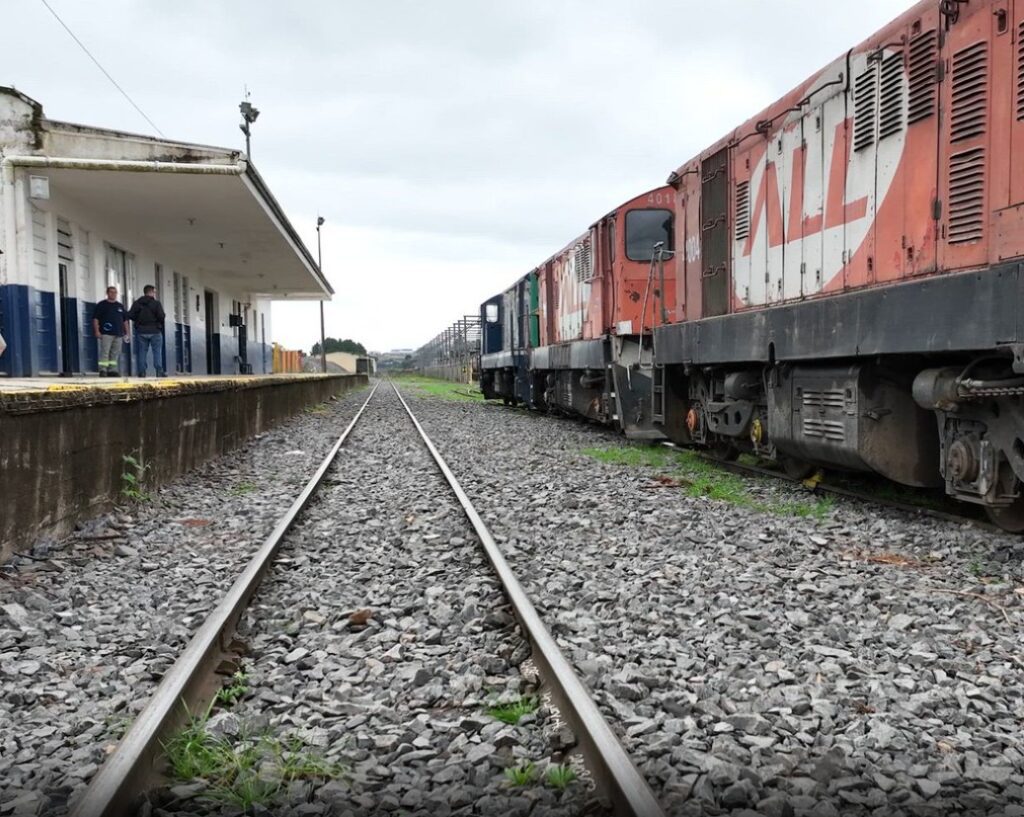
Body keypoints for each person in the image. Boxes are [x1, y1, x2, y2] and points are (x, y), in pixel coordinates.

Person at [129, 285, 166, 377]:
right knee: (157, 351)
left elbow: (130, 315)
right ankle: (159, 371)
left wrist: (138, 321)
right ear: (151, 292)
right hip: (155, 331)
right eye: (154, 292)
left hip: (141, 331)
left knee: (142, 352)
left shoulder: (137, 303)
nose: (155, 294)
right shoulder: (156, 304)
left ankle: (142, 372)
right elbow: (162, 316)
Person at [91, 286, 129, 377]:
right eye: (111, 292)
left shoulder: (120, 306)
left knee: (115, 353)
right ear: (107, 293)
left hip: (118, 334)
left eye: (115, 292)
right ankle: (103, 370)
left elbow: (125, 321)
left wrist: (127, 333)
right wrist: (97, 331)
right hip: (106, 333)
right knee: (105, 352)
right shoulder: (101, 305)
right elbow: (95, 319)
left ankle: (112, 370)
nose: (113, 294)